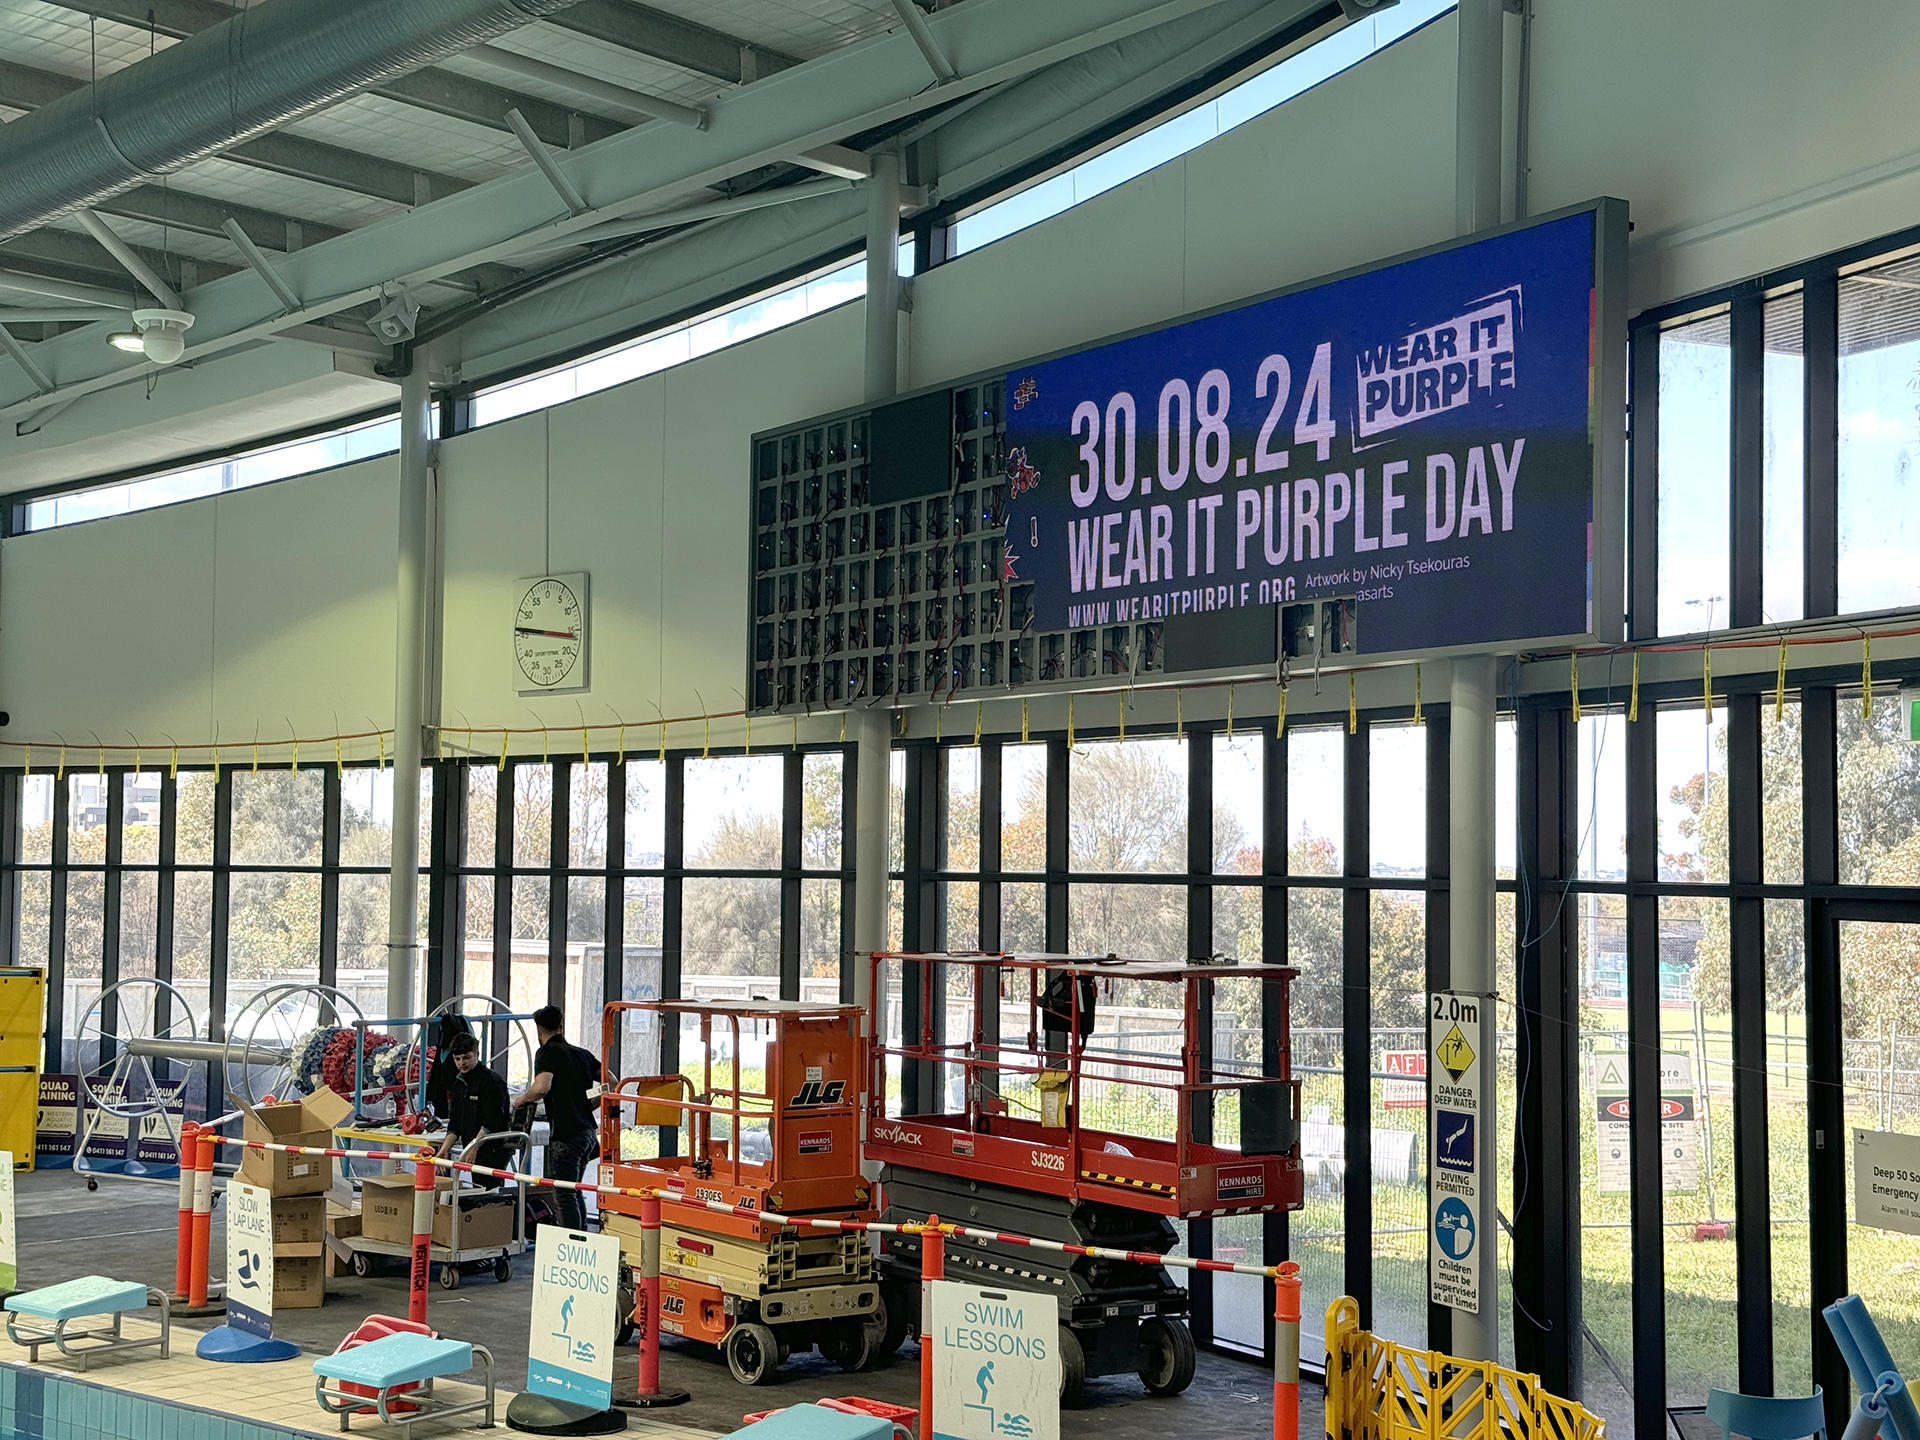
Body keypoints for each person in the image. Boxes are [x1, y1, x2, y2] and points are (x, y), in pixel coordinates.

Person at [513, 1005, 602, 1232]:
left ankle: (570, 1241)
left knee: (563, 1193)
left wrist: (522, 1099)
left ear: (538, 1030)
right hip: (587, 1133)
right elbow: (610, 1082)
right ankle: (582, 1238)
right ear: (561, 1025)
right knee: (574, 1190)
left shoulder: (546, 1052)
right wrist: (589, 1104)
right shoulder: (582, 1054)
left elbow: (542, 1087)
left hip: (566, 1133)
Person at [435, 1033, 514, 1189]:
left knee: (488, 1192)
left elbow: (493, 1120)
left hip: (493, 1148)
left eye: (466, 1058)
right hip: (473, 1144)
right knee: (478, 1191)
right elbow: (455, 1123)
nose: (461, 1063)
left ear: (476, 1054)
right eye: (457, 1059)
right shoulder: (459, 1084)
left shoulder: (491, 1082)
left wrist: (474, 1147)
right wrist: (444, 1150)